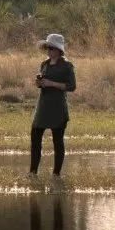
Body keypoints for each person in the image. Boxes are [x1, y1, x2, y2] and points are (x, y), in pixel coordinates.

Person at [32, 33, 75, 176]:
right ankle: (33, 172)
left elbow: (71, 86)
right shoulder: (44, 64)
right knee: (35, 137)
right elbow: (42, 84)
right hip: (43, 106)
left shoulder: (67, 66)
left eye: (51, 48)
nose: (49, 51)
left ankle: (56, 173)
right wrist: (39, 83)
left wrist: (52, 83)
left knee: (58, 142)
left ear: (59, 50)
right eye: (47, 48)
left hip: (58, 107)